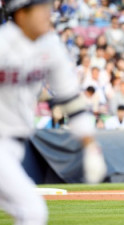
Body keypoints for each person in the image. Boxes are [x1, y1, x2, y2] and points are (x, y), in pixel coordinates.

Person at [0, 1, 107, 224]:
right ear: (21, 13)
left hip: (16, 146)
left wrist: (90, 147)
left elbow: (70, 98)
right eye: (41, 9)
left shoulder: (50, 46)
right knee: (32, 210)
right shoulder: (3, 44)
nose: (48, 14)